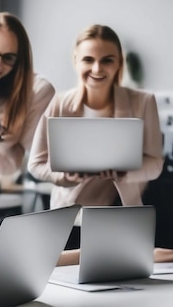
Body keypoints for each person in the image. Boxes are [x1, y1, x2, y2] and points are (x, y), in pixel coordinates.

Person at [28, 24, 163, 248]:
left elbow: (155, 163)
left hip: (123, 212)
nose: (97, 68)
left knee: (126, 279)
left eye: (107, 60)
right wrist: (64, 177)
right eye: (88, 59)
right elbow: (36, 163)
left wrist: (125, 172)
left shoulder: (144, 102)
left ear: (119, 62)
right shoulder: (59, 103)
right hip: (72, 216)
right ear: (76, 61)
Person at [0, 12, 55, 183]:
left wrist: (4, 142)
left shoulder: (37, 91)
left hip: (4, 182)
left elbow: (23, 161)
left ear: (19, 61)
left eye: (8, 58)